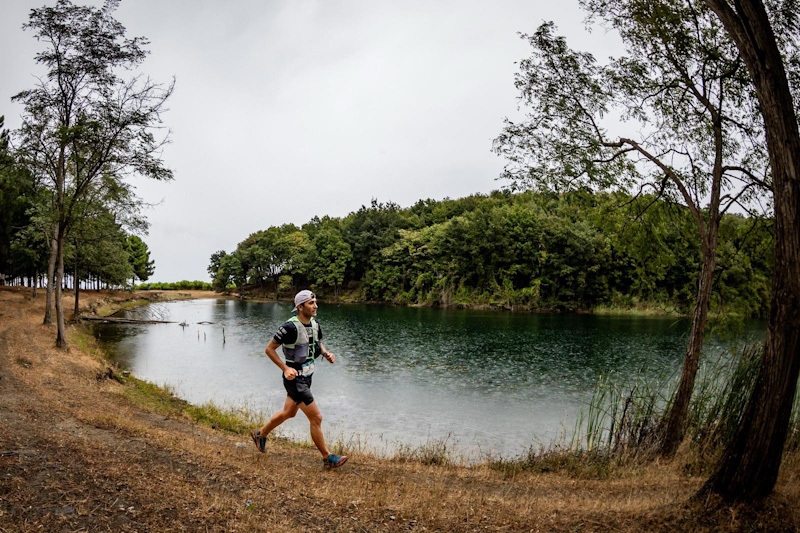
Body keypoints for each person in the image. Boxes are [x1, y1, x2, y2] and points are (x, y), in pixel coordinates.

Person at [250, 290, 347, 469]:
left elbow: (317, 342)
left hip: (308, 377)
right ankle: (327, 457)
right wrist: (285, 368)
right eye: (311, 303)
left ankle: (260, 434)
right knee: (316, 418)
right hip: (295, 380)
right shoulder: (288, 328)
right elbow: (269, 349)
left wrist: (325, 353)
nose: (315, 306)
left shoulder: (315, 324)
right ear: (300, 307)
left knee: (289, 413)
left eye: (315, 302)